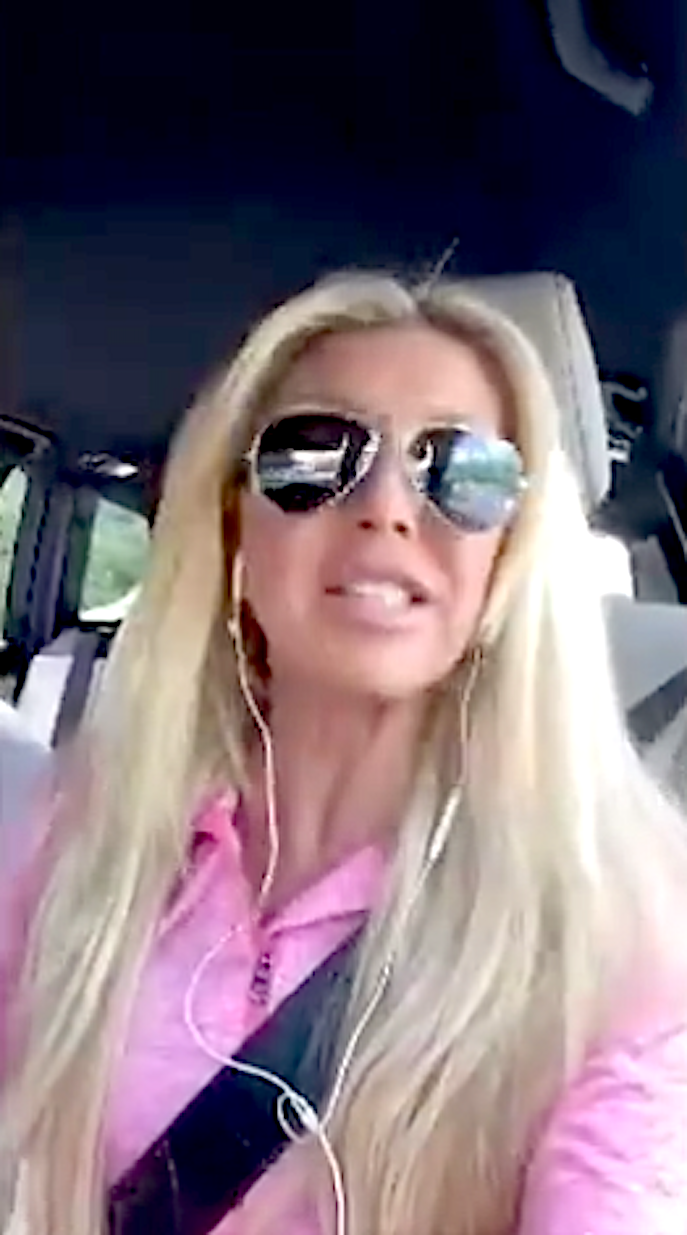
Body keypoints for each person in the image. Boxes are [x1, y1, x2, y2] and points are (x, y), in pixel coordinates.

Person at [2, 270, 687, 1235]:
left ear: (510, 556)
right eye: (315, 454)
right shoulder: (80, 842)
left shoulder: (619, 930)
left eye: (463, 471)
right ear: (234, 526)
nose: (387, 507)